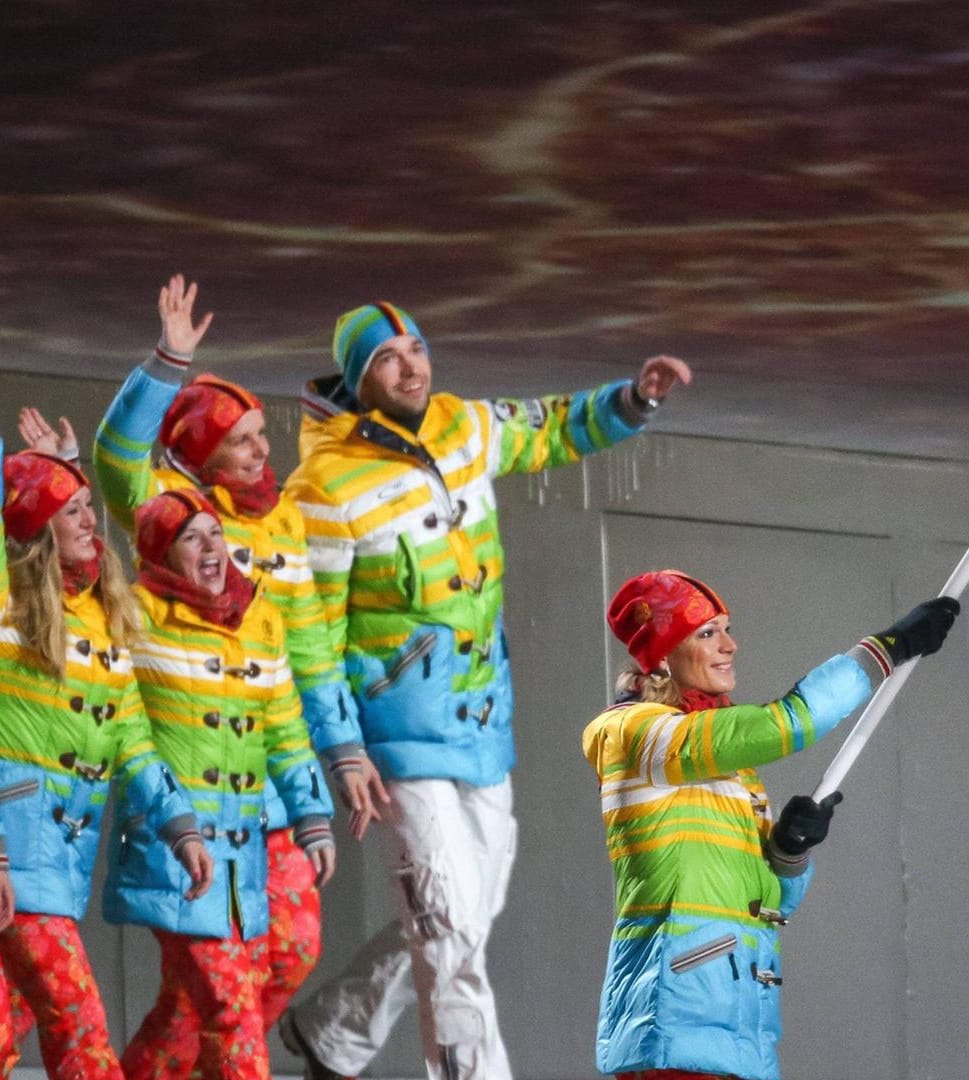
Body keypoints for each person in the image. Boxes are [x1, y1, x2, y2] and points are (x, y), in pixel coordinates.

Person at [280, 301, 691, 1080]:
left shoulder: (463, 427)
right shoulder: (322, 488)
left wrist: (634, 401)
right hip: (401, 737)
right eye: (389, 358)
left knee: (462, 920)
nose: (411, 367)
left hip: (482, 725)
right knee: (448, 940)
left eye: (417, 350)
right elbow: (310, 639)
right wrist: (341, 750)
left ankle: (335, 1031)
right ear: (358, 376)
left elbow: (550, 427)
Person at [92, 276, 385, 1071]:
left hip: (270, 790)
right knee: (221, 995)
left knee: (286, 955)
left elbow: (313, 656)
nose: (266, 449)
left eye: (264, 434)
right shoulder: (168, 507)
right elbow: (116, 456)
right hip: (191, 794)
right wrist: (167, 363)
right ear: (198, 454)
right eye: (244, 439)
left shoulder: (285, 519)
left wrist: (344, 753)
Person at [585, 570, 958, 1080]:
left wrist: (788, 852)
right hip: (674, 1033)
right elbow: (784, 724)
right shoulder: (637, 735)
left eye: (727, 628)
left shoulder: (727, 771)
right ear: (663, 656)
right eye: (707, 632)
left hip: (737, 1037)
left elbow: (774, 906)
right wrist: (884, 652)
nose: (730, 645)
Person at [0, 431, 210, 1079]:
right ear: (37, 529)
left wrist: (181, 827)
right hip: (14, 852)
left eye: (91, 505)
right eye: (72, 510)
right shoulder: (8, 604)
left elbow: (133, 741)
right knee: (80, 1026)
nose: (93, 521)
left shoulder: (103, 616)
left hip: (58, 862)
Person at [108, 489, 336, 1080]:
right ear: (160, 553)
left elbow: (286, 729)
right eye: (192, 537)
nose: (212, 547)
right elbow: (123, 734)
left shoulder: (259, 618)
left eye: (216, 533)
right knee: (231, 1009)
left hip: (242, 853)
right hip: (172, 852)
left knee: (197, 1005)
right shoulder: (132, 616)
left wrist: (312, 815)